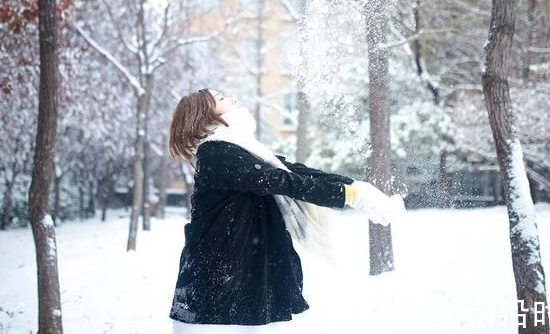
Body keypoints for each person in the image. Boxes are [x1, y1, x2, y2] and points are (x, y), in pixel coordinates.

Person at [167, 88, 406, 333]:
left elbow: (293, 171)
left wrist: (354, 187)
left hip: (236, 285)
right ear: (206, 116)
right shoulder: (216, 153)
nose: (232, 98)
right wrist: (349, 196)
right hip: (216, 290)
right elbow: (279, 180)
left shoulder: (240, 149)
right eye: (220, 99)